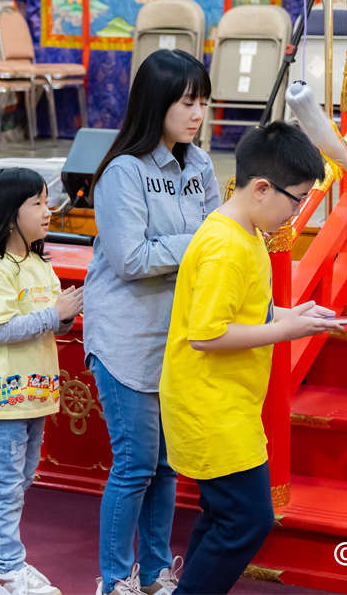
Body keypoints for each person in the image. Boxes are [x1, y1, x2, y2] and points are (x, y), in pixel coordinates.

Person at [159, 122, 345, 594]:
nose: (297, 212)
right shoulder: (226, 245)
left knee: (225, 515)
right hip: (211, 406)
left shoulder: (244, 231)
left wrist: (289, 314)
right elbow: (207, 335)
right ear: (262, 188)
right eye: (296, 200)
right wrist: (284, 329)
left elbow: (244, 309)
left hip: (225, 402)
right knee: (247, 519)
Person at [81, 49, 219, 595]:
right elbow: (131, 259)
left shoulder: (201, 165)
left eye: (203, 102)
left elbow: (219, 239)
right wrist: (200, 242)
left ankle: (158, 571)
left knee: (166, 466)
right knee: (135, 464)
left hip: (176, 335)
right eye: (187, 103)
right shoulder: (123, 171)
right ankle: (115, 580)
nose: (197, 114)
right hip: (125, 336)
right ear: (155, 103)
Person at [0, 169, 82, 595]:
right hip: (3, 398)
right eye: (37, 203)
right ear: (9, 215)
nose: (48, 211)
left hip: (34, 395)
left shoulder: (39, 264)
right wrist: (55, 313)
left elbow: (49, 326)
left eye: (48, 201)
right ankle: (7, 571)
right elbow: (3, 330)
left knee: (19, 479)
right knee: (5, 485)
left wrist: (64, 317)